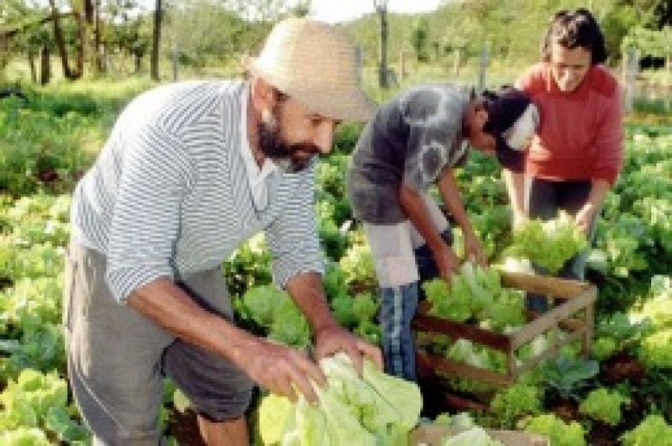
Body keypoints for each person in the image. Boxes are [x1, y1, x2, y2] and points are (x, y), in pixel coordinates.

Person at [64, 17, 382, 445]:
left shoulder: (295, 150)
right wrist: (250, 348)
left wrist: (325, 326)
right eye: (316, 120)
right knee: (128, 425)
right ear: (265, 92)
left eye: (335, 125)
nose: (325, 143)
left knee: (227, 389)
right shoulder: (173, 130)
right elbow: (135, 272)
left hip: (195, 260)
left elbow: (296, 247)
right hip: (114, 261)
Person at [346, 84, 538, 381]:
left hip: (405, 180)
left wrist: (468, 232)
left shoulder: (464, 122)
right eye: (492, 145)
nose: (489, 153)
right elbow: (408, 195)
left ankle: (418, 325)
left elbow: (442, 172)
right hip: (376, 185)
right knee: (400, 292)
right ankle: (403, 385)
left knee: (444, 239)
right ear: (482, 115)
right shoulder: (443, 121)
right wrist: (439, 250)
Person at [505, 8, 624, 312]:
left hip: (584, 178)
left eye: (578, 68)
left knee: (573, 266)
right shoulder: (530, 83)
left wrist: (590, 208)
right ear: (547, 56)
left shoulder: (607, 89)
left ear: (593, 60)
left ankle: (566, 336)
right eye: (560, 66)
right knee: (537, 268)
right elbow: (512, 150)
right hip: (540, 174)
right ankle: (536, 335)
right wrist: (519, 212)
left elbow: (609, 158)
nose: (568, 77)